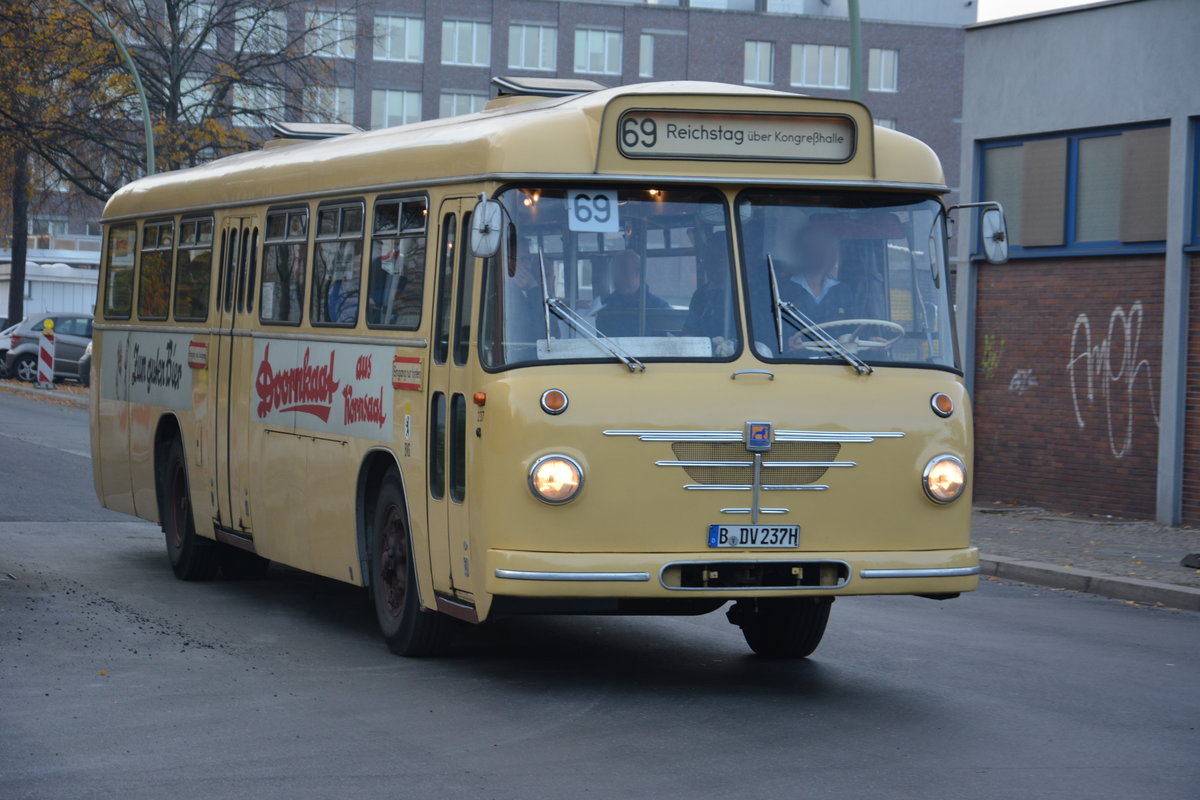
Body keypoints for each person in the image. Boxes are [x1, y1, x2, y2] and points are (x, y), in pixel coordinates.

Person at [595, 250, 668, 338]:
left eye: (623, 270)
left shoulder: (659, 307)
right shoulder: (605, 306)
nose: (617, 276)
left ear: (639, 273)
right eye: (614, 271)